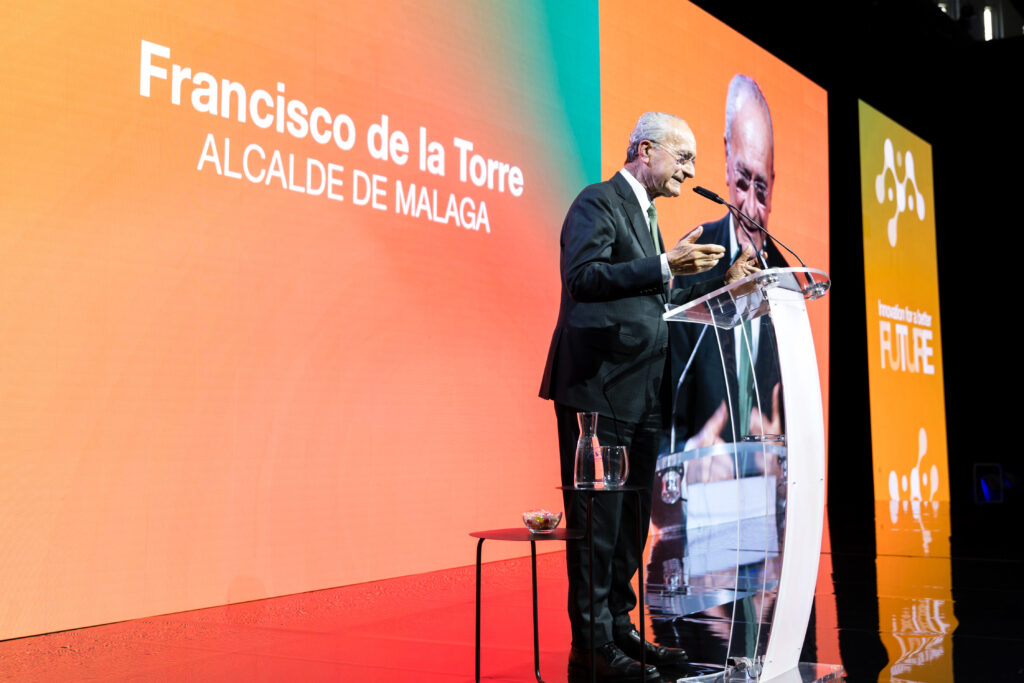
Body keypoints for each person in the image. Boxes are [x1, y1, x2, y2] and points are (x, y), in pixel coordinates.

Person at [539, 112, 758, 682]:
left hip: (640, 393)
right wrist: (664, 263)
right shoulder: (598, 203)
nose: (690, 171)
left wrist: (722, 278)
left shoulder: (648, 215)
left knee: (632, 525)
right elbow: (583, 278)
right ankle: (590, 646)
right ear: (644, 149)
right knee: (598, 524)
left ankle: (620, 631)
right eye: (682, 158)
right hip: (598, 388)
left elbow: (657, 293)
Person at [669, 74, 789, 459]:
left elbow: (791, 410)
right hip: (698, 508)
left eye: (762, 189)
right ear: (725, 162)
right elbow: (662, 414)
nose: (752, 209)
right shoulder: (696, 264)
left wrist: (783, 444)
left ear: (773, 182)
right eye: (742, 183)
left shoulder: (789, 285)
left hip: (768, 503)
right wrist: (688, 456)